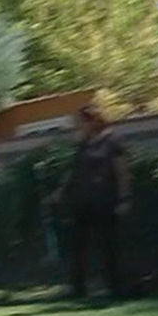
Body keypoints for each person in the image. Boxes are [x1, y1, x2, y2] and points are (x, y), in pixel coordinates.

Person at [54, 104, 132, 298]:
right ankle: (78, 288)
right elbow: (74, 171)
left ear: (92, 120)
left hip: (105, 201)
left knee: (108, 246)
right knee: (78, 247)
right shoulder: (84, 144)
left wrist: (124, 198)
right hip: (82, 202)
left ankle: (115, 287)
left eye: (80, 122)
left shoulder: (112, 141)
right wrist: (61, 191)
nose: (77, 126)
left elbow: (122, 172)